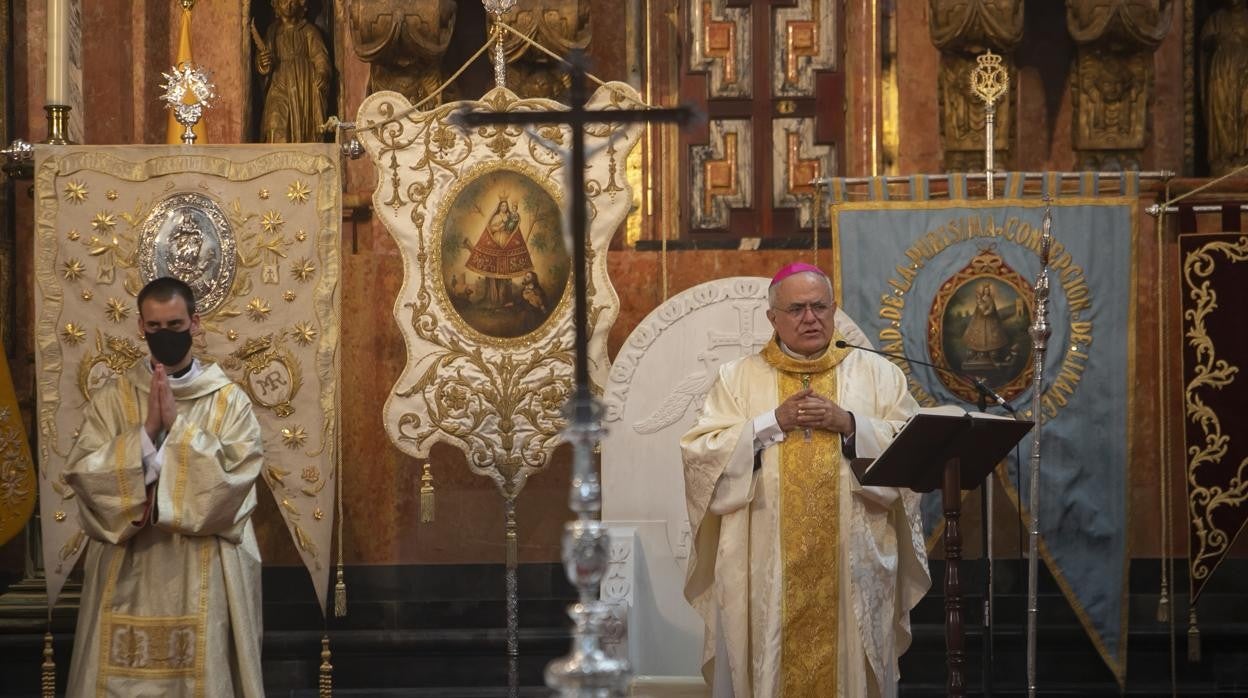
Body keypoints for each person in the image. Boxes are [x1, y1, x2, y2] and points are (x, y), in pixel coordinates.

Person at [680, 263, 930, 697]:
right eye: (796, 309)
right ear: (772, 318)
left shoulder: (877, 374)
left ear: (834, 311)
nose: (810, 318)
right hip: (764, 565)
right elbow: (701, 454)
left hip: (852, 562)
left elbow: (912, 450)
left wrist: (849, 423)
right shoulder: (737, 378)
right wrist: (768, 422)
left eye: (819, 307)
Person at [64, 277, 266, 697]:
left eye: (174, 325)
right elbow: (84, 476)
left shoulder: (229, 401)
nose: (164, 336)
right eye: (154, 327)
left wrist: (179, 430)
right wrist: (145, 434)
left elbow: (236, 485)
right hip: (127, 572)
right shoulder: (113, 399)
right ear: (140, 326)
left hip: (202, 572)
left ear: (194, 322)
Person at [256, 0, 331, 143]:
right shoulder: (272, 31)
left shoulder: (309, 31)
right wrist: (263, 63)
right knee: (274, 123)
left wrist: (322, 73)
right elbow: (263, 59)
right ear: (276, 5)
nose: (288, 5)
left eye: (293, 1)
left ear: (301, 4)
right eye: (284, 1)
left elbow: (320, 56)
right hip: (279, 83)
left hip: (303, 85)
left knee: (302, 127)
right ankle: (274, 161)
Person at [465, 198, 534, 308]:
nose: (504, 208)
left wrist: (512, 224)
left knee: (505, 271)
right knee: (495, 266)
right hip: (496, 240)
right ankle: (493, 299)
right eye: (502, 206)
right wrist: (500, 226)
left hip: (507, 241)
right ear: (499, 207)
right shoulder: (496, 217)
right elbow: (491, 229)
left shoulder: (510, 216)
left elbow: (513, 228)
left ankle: (504, 299)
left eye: (505, 206)